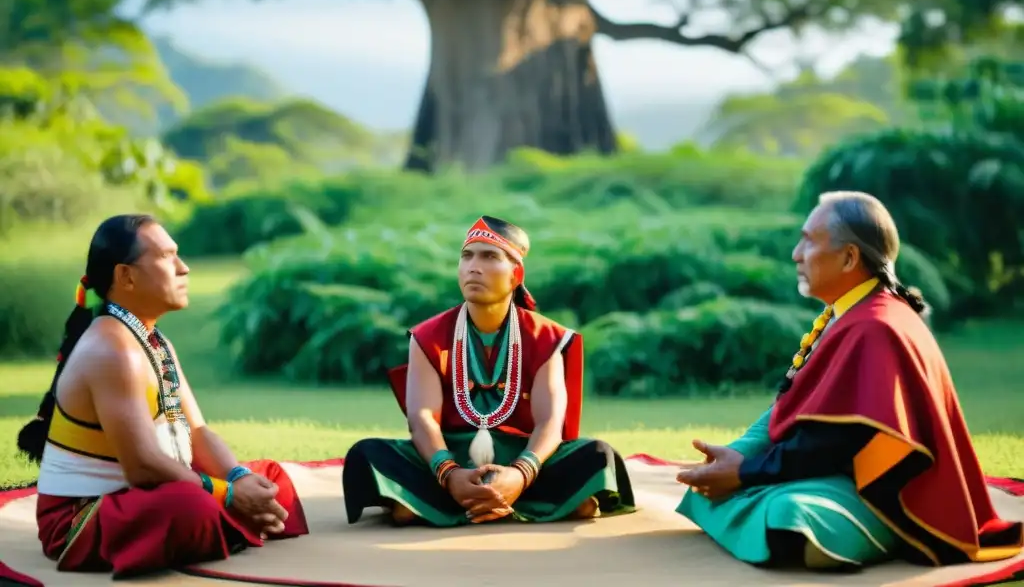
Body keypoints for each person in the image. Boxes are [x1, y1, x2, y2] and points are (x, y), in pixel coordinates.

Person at [675, 191, 1023, 571]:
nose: (795, 254)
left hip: (889, 498)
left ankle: (874, 536)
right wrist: (737, 453)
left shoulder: (875, 326)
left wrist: (743, 472)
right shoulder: (853, 314)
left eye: (808, 241)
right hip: (837, 476)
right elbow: (794, 404)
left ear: (850, 257)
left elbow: (834, 441)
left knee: (787, 519)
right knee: (707, 493)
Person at [16, 214, 309, 577]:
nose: (183, 268)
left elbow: (199, 432)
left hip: (145, 492)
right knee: (191, 507)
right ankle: (229, 521)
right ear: (126, 276)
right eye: (167, 257)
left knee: (268, 480)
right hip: (84, 515)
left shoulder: (153, 340)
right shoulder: (111, 347)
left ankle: (230, 520)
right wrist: (230, 496)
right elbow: (142, 466)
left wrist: (236, 479)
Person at [342, 215, 636, 527]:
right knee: (367, 453)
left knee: (598, 454)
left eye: (489, 256)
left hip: (525, 460)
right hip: (447, 458)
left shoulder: (544, 337)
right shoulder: (428, 337)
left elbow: (550, 421)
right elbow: (421, 417)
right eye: (466, 256)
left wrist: (520, 475)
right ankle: (517, 501)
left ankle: (429, 505)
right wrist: (450, 474)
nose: (473, 266)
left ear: (516, 274)